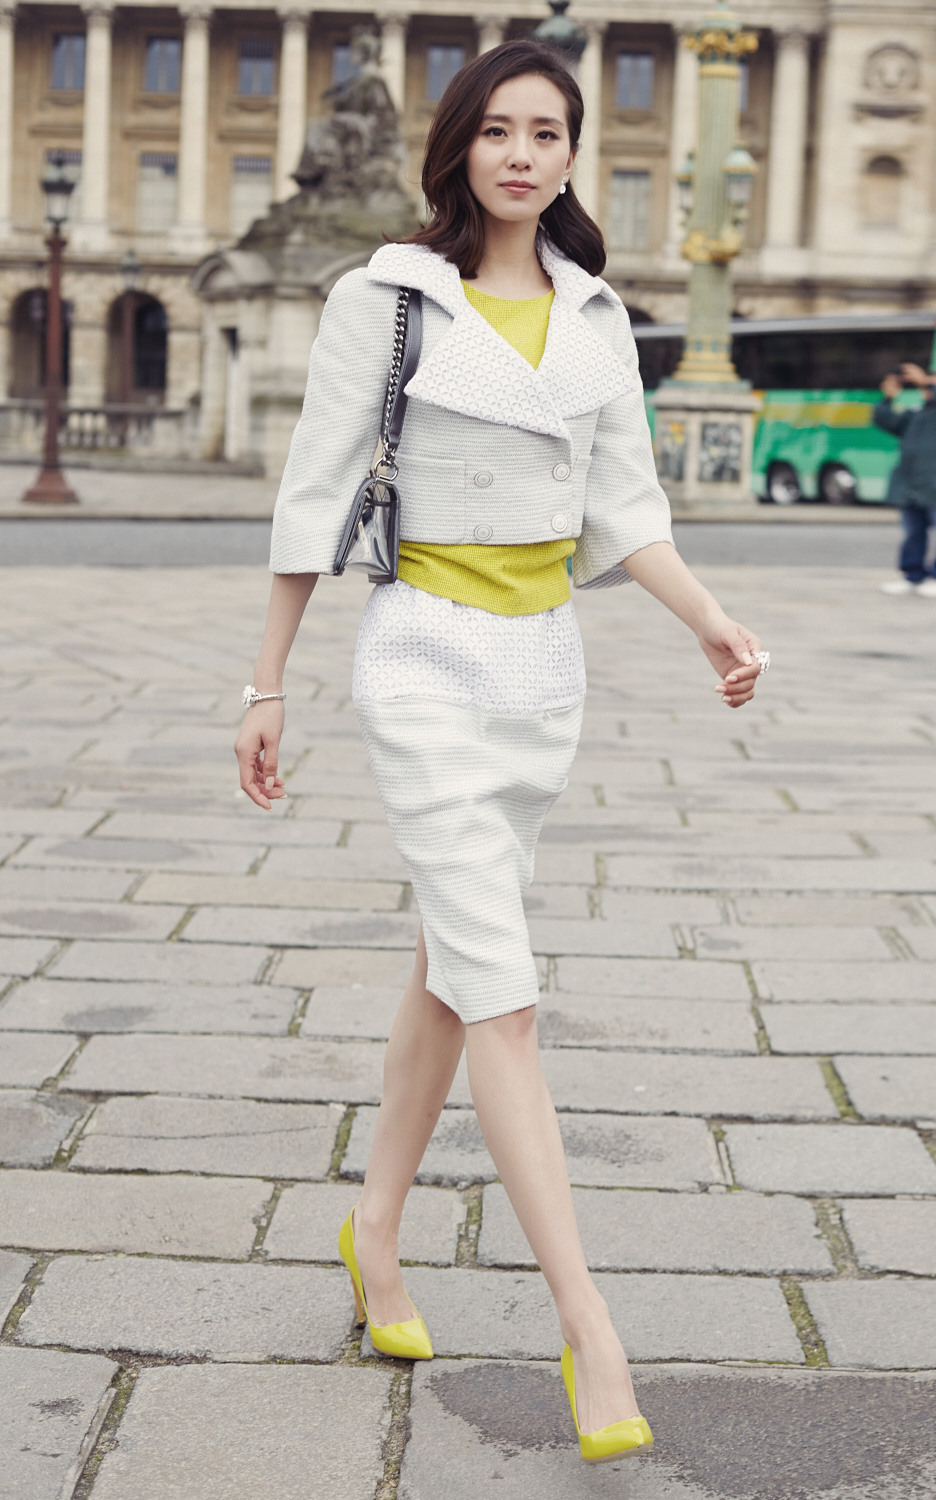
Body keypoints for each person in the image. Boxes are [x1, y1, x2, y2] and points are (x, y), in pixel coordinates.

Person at [235, 39, 768, 1465]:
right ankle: (590, 1324)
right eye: (499, 130)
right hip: (422, 656)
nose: (523, 155)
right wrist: (266, 684)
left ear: (575, 155)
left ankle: (374, 1230)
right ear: (459, 145)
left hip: (542, 672)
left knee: (451, 962)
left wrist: (710, 621)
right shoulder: (388, 298)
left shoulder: (596, 313)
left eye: (548, 132)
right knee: (507, 1000)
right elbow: (315, 494)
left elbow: (626, 508)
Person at [875, 361, 936, 596]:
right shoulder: (916, 413)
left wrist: (925, 381)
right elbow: (887, 422)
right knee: (913, 532)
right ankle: (912, 575)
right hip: (912, 485)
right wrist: (888, 398)